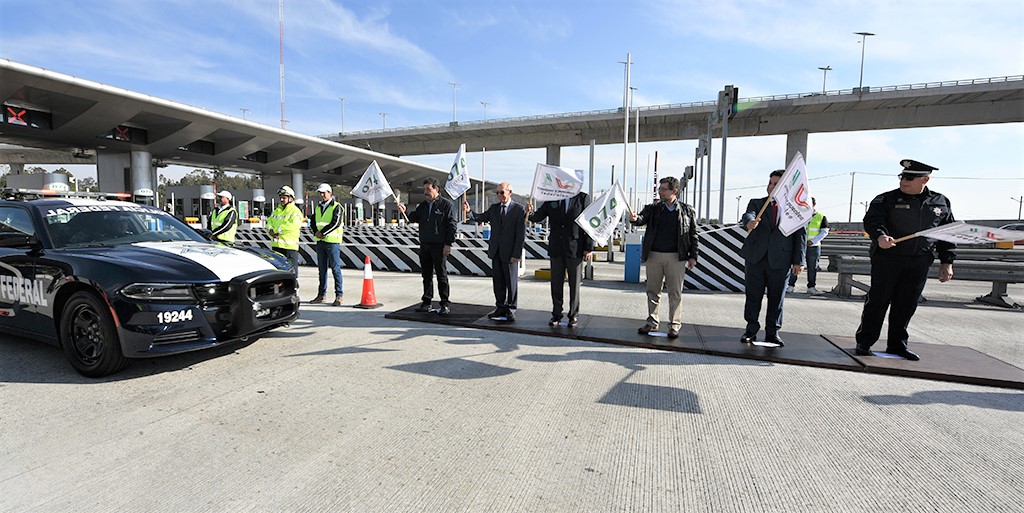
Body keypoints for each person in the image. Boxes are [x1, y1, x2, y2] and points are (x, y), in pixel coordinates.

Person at [854, 159, 956, 361]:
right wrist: (880, 236)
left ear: (925, 179)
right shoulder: (886, 199)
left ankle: (897, 345)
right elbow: (872, 221)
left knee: (907, 304)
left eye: (910, 177)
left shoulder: (940, 202)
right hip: (888, 259)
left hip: (919, 261)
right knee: (878, 301)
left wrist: (947, 262)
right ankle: (865, 342)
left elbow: (947, 233)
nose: (904, 181)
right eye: (902, 176)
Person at [738, 169, 806, 346]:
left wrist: (799, 261)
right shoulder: (757, 203)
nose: (771, 187)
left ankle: (772, 333)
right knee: (753, 296)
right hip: (756, 258)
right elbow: (748, 215)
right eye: (770, 183)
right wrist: (749, 222)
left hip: (780, 260)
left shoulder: (794, 210)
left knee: (776, 299)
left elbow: (801, 236)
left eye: (776, 184)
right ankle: (751, 330)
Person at [628, 177, 698, 339]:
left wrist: (693, 256)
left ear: (674, 191)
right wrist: (634, 219)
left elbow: (693, 235)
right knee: (653, 290)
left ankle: (674, 324)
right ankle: (652, 321)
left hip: (676, 256)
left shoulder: (687, 211)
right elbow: (641, 219)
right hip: (654, 255)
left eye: (663, 189)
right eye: (660, 189)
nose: (660, 192)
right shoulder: (654, 208)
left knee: (675, 292)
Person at [527, 190, 594, 328]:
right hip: (556, 247)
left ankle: (573, 315)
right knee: (556, 283)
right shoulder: (552, 197)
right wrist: (529, 212)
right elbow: (538, 217)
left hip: (575, 248)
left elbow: (588, 223)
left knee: (574, 284)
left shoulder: (582, 198)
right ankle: (556, 314)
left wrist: (588, 247)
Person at [464, 182, 526, 322]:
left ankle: (511, 308)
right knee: (498, 282)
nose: (499, 196)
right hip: (496, 252)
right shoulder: (494, 208)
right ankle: (500, 307)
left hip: (510, 254)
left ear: (510, 192)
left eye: (502, 193)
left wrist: (516, 254)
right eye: (497, 193)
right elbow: (480, 218)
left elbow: (520, 234)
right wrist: (469, 212)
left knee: (511, 283)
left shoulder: (518, 210)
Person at [398, 177, 458, 316]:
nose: (425, 192)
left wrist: (448, 244)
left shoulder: (446, 206)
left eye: (428, 189)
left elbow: (452, 226)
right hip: (425, 245)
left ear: (436, 189)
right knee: (426, 275)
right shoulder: (423, 206)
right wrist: (404, 211)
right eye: (424, 189)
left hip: (440, 246)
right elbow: (413, 218)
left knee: (441, 276)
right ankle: (427, 302)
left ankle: (444, 303)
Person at [787, 197, 829, 294]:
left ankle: (811, 287)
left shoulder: (821, 216)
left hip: (813, 246)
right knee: (796, 265)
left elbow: (824, 231)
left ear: (814, 204)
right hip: (800, 245)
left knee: (812, 267)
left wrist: (813, 241)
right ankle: (790, 285)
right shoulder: (800, 215)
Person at [310, 183, 344, 306]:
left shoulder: (337, 207)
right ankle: (321, 295)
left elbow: (336, 223)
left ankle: (339, 296)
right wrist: (316, 232)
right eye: (320, 193)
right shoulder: (318, 207)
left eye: (324, 192)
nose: (322, 195)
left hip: (332, 242)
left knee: (336, 269)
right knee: (322, 270)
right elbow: (313, 222)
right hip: (320, 242)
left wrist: (322, 233)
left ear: (330, 193)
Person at [266, 185, 303, 274]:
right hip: (276, 246)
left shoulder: (295, 211)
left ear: (291, 198)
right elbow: (269, 222)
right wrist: (270, 230)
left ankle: (293, 288)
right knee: (277, 273)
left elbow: (293, 225)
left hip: (289, 248)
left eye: (284, 198)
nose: (282, 200)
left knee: (291, 272)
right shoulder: (276, 211)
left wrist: (276, 230)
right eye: (281, 198)